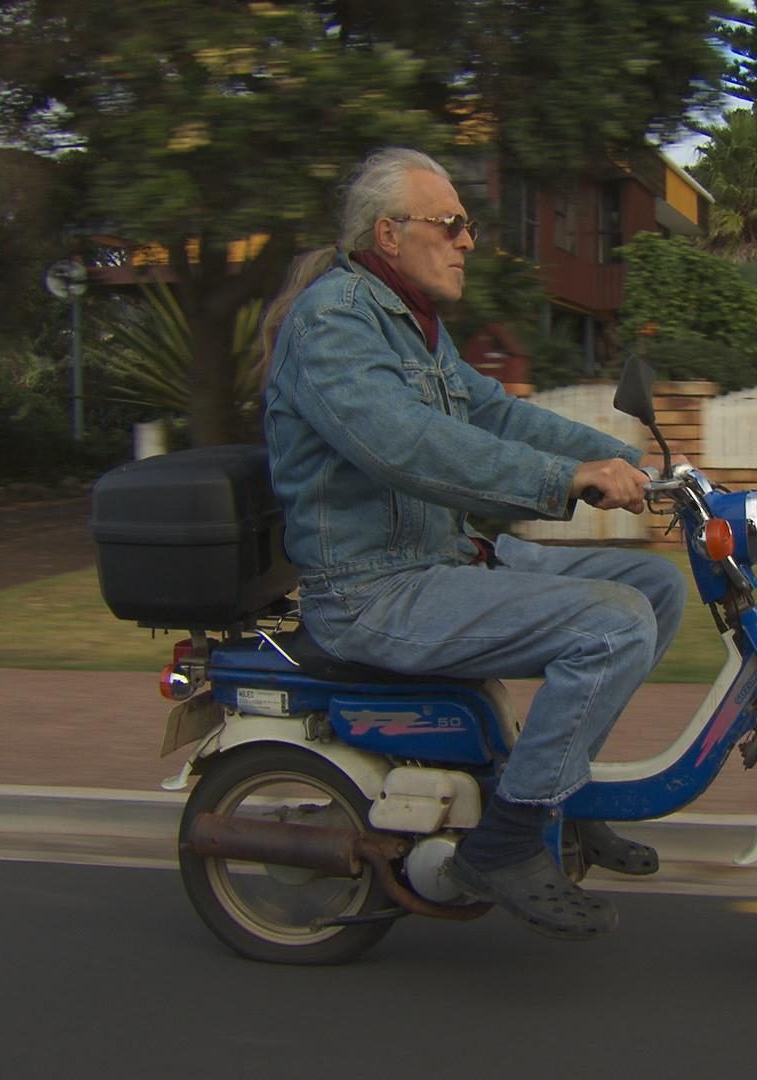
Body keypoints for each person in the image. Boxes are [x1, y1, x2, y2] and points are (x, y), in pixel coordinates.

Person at [263, 148, 687, 940]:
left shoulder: (414, 326)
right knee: (613, 623)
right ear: (390, 234)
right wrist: (566, 479)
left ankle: (556, 794)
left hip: (443, 559)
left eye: (467, 226)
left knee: (656, 589)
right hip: (373, 591)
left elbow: (496, 415)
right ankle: (506, 844)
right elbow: (406, 445)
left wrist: (638, 465)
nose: (467, 240)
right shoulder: (334, 321)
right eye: (451, 224)